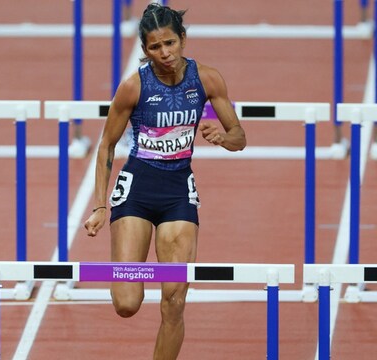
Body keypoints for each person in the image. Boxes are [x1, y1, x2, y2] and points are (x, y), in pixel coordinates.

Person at [84, 4, 246, 360]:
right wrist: (100, 205)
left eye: (170, 43)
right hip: (137, 189)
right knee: (127, 303)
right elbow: (106, 144)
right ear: (145, 50)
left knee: (174, 302)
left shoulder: (207, 79)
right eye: (155, 47)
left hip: (177, 193)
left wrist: (221, 137)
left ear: (183, 39)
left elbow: (239, 137)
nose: (165, 53)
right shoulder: (133, 87)